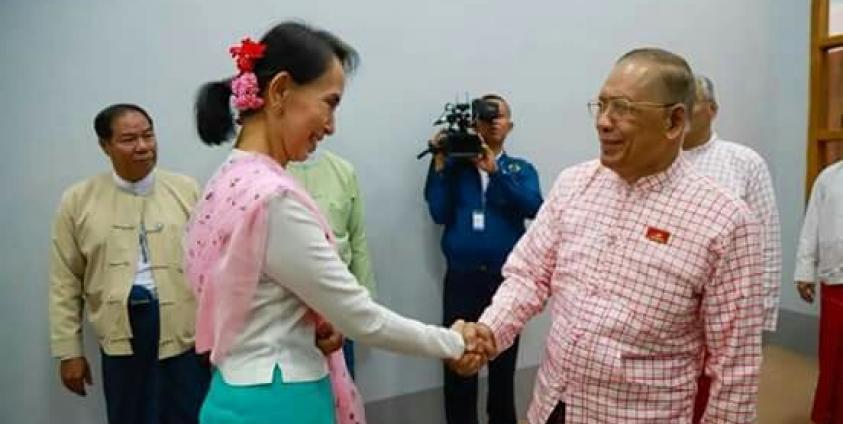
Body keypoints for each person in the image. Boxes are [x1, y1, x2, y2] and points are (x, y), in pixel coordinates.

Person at [188, 22, 483, 424]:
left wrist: (308, 321)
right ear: (280, 91)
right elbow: (361, 317)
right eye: (330, 103)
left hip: (232, 389)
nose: (331, 125)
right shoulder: (273, 200)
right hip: (281, 400)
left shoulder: (227, 180)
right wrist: (453, 342)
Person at [451, 48, 764, 423]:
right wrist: (490, 330)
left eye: (623, 108)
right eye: (600, 106)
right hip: (552, 405)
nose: (603, 122)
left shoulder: (725, 221)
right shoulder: (574, 185)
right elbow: (528, 275)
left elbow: (736, 366)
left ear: (674, 120)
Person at [49, 103, 209, 424]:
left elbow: (210, 267)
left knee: (189, 414)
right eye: (129, 139)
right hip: (121, 332)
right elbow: (64, 280)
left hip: (183, 331)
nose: (143, 147)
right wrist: (69, 351)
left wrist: (214, 335)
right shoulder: (77, 200)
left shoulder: (187, 190)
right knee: (130, 415)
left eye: (148, 136)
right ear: (105, 145)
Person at [425, 93, 542, 424]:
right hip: (462, 279)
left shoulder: (520, 169)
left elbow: (535, 207)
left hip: (505, 282)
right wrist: (439, 163)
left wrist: (497, 172)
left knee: (503, 365)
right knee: (459, 361)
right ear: (473, 122)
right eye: (485, 117)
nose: (492, 123)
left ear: (510, 125)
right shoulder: (455, 169)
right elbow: (438, 211)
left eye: (498, 116)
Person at [682, 74, 782, 423]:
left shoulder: (744, 162)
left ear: (712, 109)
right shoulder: (656, 159)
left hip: (725, 303)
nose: (682, 110)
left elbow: (766, 240)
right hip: (669, 303)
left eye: (691, 102)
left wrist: (761, 310)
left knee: (718, 392)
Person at [287, 149, 376, 378]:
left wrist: (365, 305)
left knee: (343, 383)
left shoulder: (342, 171)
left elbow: (358, 240)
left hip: (338, 304)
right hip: (289, 309)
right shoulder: (272, 175)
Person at [794, 160, 843, 424]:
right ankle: (828, 414)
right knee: (832, 353)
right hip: (835, 280)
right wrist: (805, 271)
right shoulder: (828, 178)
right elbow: (811, 224)